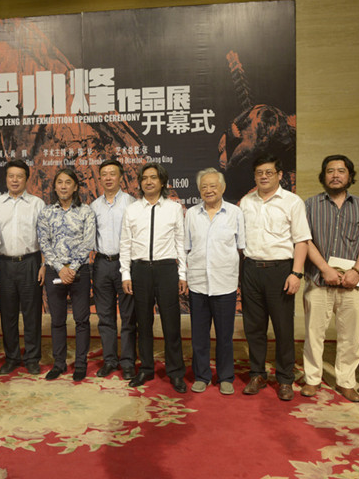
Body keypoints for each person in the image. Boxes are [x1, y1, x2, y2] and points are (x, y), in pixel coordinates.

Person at [301, 155, 359, 403]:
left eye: (341, 171)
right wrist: (325, 269)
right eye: (330, 171)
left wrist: (357, 271)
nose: (335, 175)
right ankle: (312, 379)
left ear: (349, 176)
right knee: (314, 334)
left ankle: (346, 381)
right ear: (323, 176)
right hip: (319, 280)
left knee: (350, 335)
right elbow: (305, 240)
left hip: (352, 283)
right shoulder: (310, 205)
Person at [239, 154, 310, 401]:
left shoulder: (292, 202)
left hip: (281, 270)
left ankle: (285, 378)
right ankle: (257, 374)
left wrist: (296, 273)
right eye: (259, 173)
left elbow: (302, 240)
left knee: (283, 327)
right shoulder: (246, 202)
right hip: (251, 269)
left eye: (269, 172)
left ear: (279, 175)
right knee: (254, 327)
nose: (264, 176)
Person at [120, 162, 188, 393]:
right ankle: (146, 368)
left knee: (171, 324)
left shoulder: (174, 208)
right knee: (143, 323)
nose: (148, 182)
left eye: (153, 177)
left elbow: (180, 242)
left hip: (166, 269)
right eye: (144, 178)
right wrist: (126, 274)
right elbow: (125, 243)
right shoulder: (132, 209)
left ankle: (175, 372)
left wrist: (182, 274)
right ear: (140, 182)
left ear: (162, 182)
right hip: (140, 270)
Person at [185, 168, 244, 394]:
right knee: (199, 336)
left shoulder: (235, 213)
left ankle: (226, 376)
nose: (208, 190)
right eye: (204, 187)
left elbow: (241, 247)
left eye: (213, 186)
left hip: (224, 283)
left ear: (223, 188)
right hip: (198, 283)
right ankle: (202, 375)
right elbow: (186, 247)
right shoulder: (191, 214)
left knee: (224, 336)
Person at [37, 168, 95, 381]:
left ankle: (80, 364)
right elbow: (44, 242)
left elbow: (88, 242)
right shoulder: (46, 212)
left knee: (82, 320)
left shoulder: (86, 211)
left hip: (80, 271)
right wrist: (60, 268)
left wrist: (73, 268)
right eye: (59, 182)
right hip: (55, 270)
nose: (63, 186)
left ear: (75, 187)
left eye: (68, 182)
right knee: (57, 320)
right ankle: (59, 363)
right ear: (54, 187)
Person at [0, 160, 45, 376]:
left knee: (32, 314)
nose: (14, 180)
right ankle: (11, 358)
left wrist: (44, 264)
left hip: (30, 262)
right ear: (5, 178)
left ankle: (32, 358)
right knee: (8, 314)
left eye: (19, 176)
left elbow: (45, 237)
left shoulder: (37, 204)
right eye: (11, 176)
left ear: (26, 179)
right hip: (4, 264)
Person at [91, 160, 136, 379]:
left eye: (113, 174)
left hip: (125, 264)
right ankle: (109, 360)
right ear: (100, 178)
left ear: (121, 177)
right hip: (101, 264)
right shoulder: (94, 206)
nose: (108, 178)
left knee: (128, 316)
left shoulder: (131, 203)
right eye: (104, 174)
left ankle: (127, 362)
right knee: (105, 316)